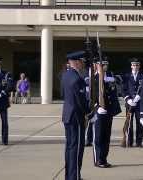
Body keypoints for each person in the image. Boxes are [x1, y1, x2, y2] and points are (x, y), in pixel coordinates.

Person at [61, 51, 89, 180]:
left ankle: (70, 176)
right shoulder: (77, 78)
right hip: (76, 116)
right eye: (82, 61)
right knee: (76, 149)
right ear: (77, 62)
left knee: (70, 148)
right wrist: (89, 113)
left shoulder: (66, 75)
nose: (83, 64)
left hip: (68, 115)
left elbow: (63, 94)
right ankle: (75, 176)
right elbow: (80, 100)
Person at [93, 58, 121, 168]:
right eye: (102, 65)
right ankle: (98, 160)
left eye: (105, 64)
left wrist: (113, 109)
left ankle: (104, 159)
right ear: (97, 65)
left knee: (106, 136)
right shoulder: (93, 79)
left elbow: (113, 94)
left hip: (108, 110)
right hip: (99, 111)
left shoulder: (110, 78)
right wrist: (97, 106)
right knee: (99, 137)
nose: (104, 67)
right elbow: (91, 95)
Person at [121, 58, 143, 147]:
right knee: (129, 122)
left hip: (139, 103)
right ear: (131, 66)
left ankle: (139, 142)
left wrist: (139, 97)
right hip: (130, 103)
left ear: (139, 66)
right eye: (134, 65)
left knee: (140, 123)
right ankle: (129, 141)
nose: (135, 67)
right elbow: (123, 89)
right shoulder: (126, 76)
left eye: (137, 65)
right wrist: (128, 99)